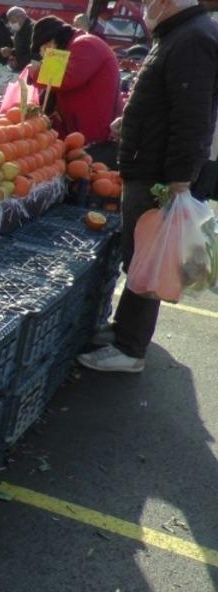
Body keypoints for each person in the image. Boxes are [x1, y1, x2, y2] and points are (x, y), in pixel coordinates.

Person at [79, 0, 218, 373]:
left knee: (149, 262)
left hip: (159, 171)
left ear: (169, 2)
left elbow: (192, 115)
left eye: (150, 1)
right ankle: (125, 330)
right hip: (150, 160)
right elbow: (170, 98)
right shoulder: (179, 34)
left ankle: (130, 348)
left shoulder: (192, 38)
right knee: (140, 257)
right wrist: (133, 118)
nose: (145, 7)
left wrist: (178, 179)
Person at [29, 15, 121, 144]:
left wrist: (36, 72)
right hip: (79, 125)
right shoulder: (74, 45)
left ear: (53, 40)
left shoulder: (85, 44)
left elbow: (67, 79)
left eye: (45, 47)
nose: (45, 53)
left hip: (93, 126)